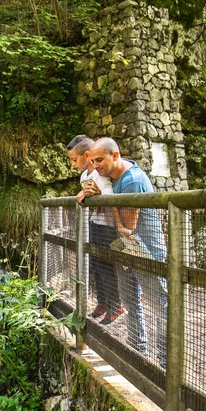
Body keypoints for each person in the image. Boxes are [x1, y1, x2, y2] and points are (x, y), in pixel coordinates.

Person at [87, 138, 168, 367]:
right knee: (131, 302)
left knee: (161, 306)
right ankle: (137, 352)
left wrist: (103, 196)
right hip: (127, 250)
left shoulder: (132, 180)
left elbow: (126, 226)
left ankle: (166, 362)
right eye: (92, 161)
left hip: (146, 252)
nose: (96, 166)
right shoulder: (109, 179)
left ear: (115, 155)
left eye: (99, 160)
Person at [67, 135, 124, 324]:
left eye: (75, 160)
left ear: (86, 155)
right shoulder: (85, 176)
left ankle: (115, 305)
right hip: (94, 222)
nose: (73, 165)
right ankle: (103, 302)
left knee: (106, 265)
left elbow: (109, 195)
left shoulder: (100, 174)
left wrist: (97, 197)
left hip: (107, 225)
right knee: (96, 264)